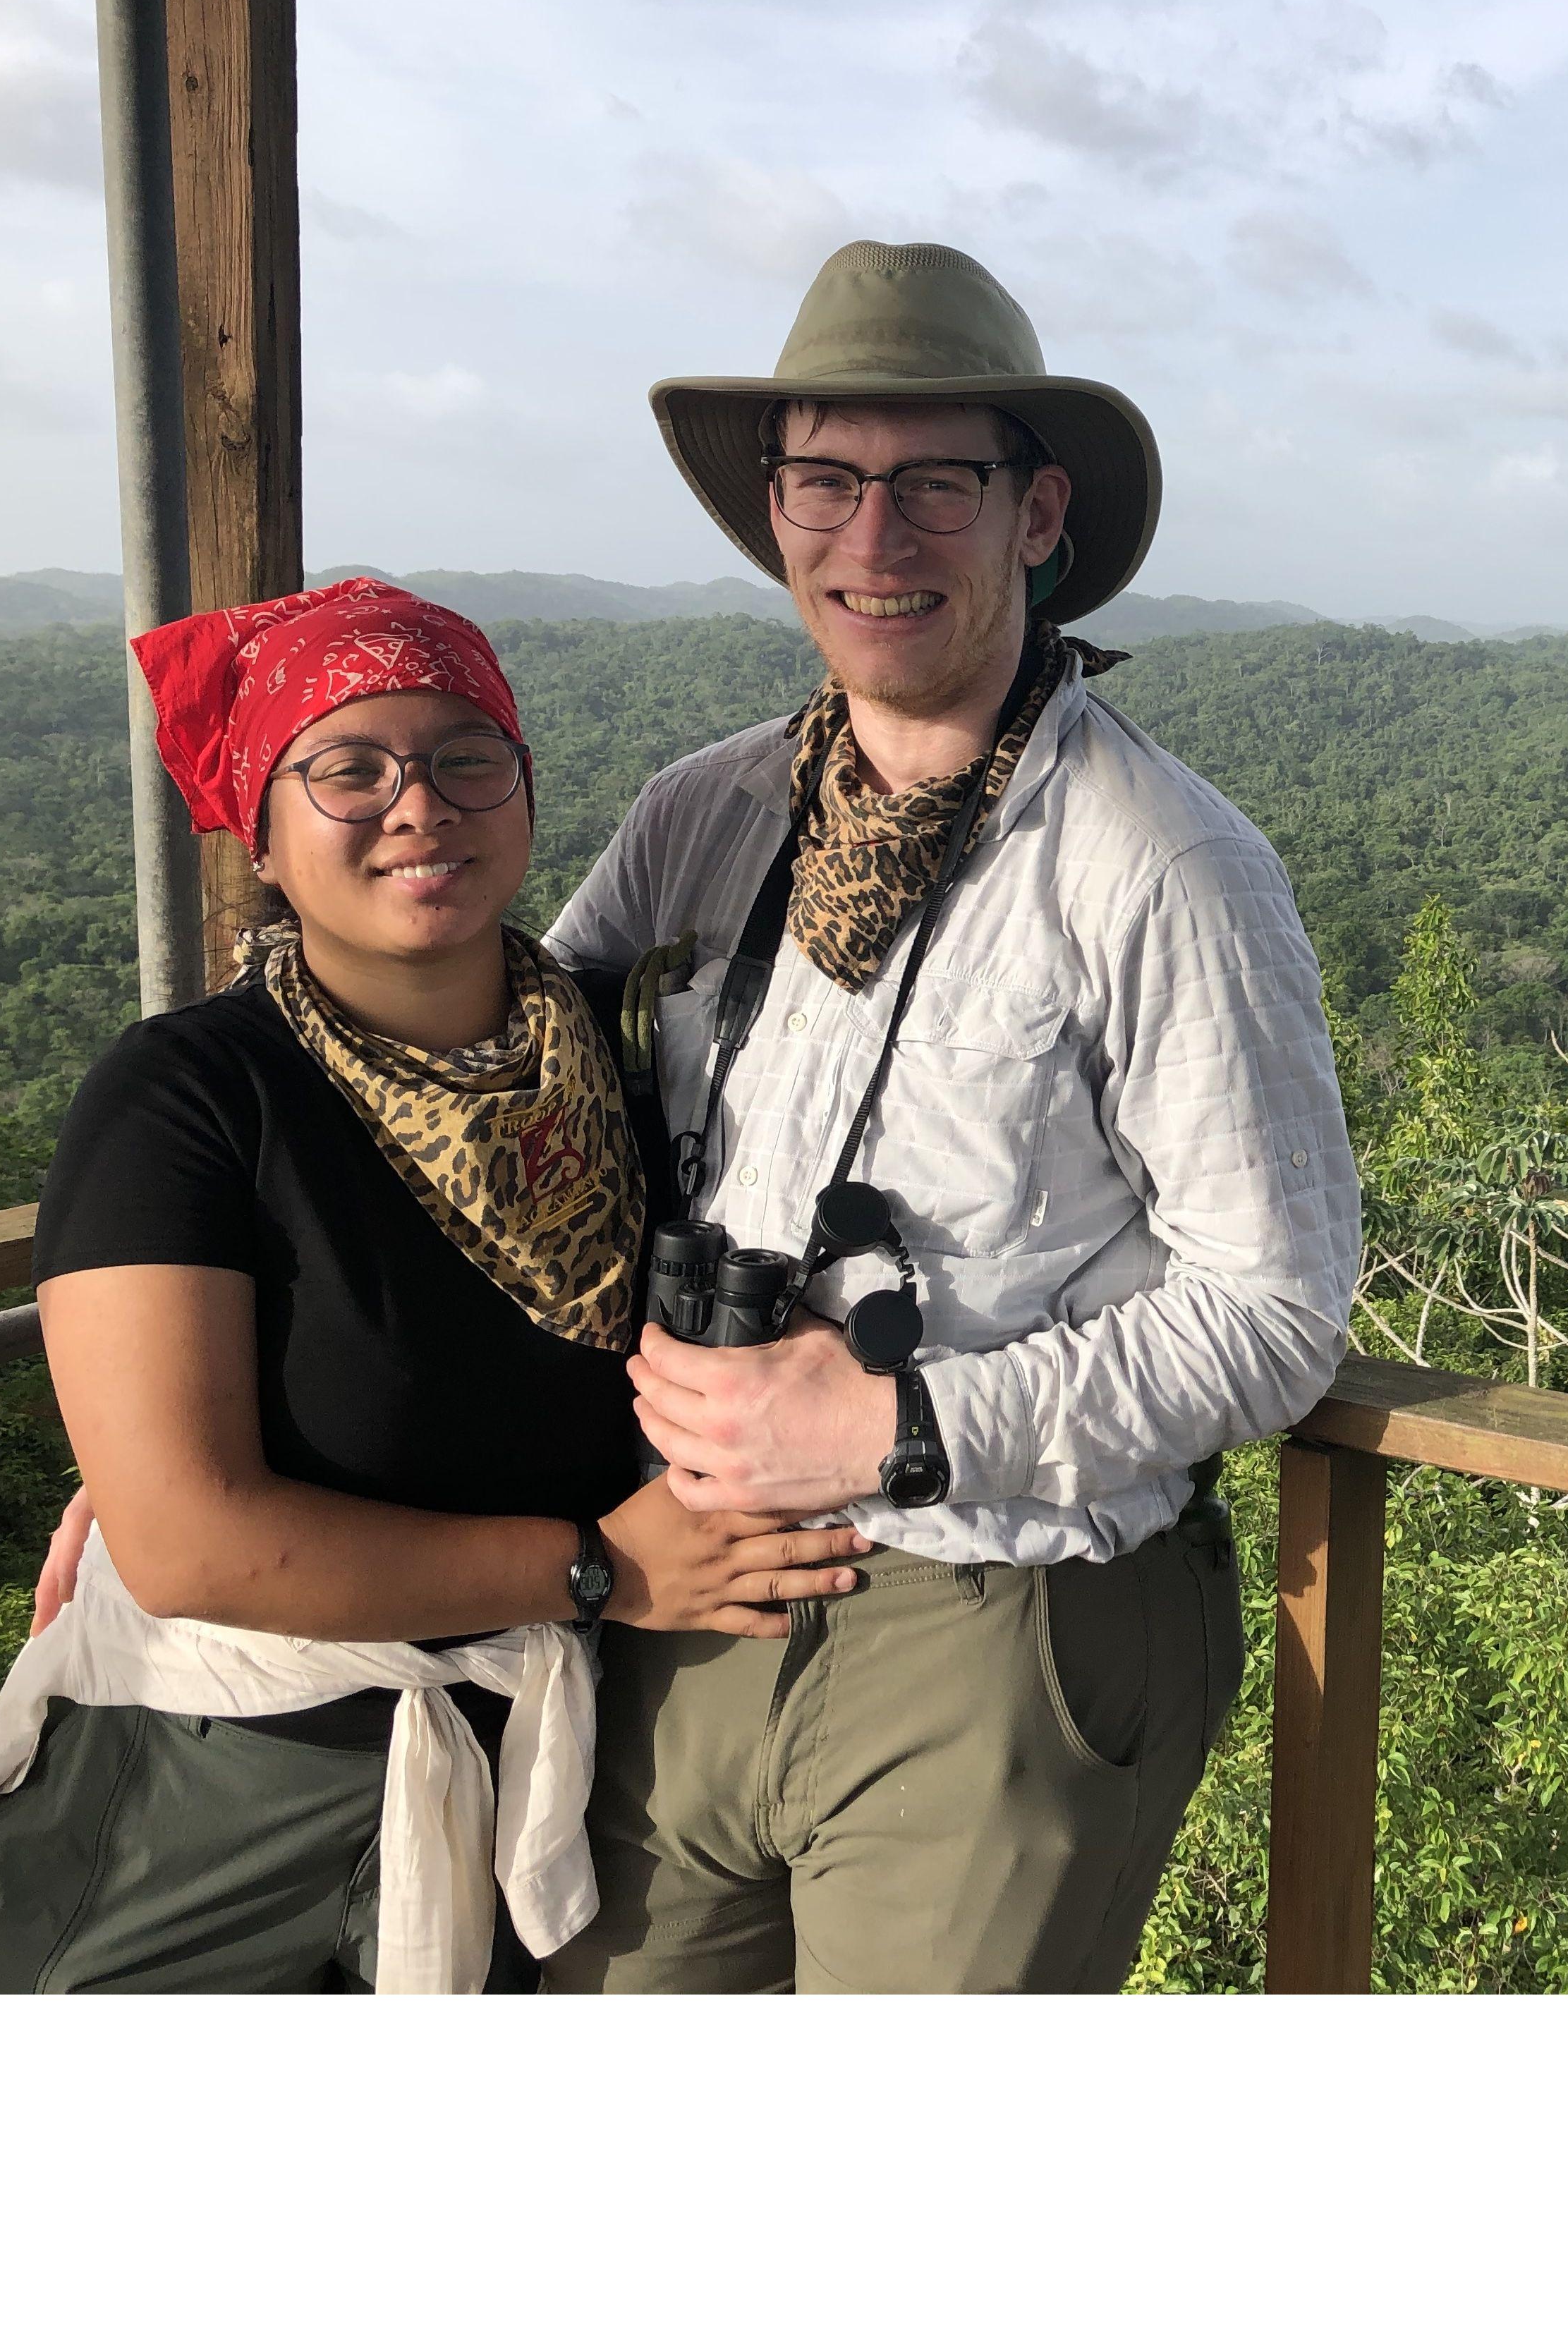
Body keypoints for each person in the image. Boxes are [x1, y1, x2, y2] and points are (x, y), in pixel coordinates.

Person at [531, 237, 1361, 1992]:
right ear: (777, 514)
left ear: (1038, 514)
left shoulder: (1160, 864)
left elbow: (1277, 1315)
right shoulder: (709, 815)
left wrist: (898, 1429)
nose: (873, 538)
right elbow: (475, 1065)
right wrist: (200, 1421)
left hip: (999, 1614)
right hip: (690, 1581)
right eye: (824, 480)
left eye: (936, 485)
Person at [0, 580, 870, 1995]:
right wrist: (598, 1568)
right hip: (222, 1785)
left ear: (527, 794)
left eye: (465, 758)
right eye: (348, 768)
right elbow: (187, 1544)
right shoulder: (192, 1096)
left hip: (533, 1770)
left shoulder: (616, 1064)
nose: (420, 805)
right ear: (265, 837)